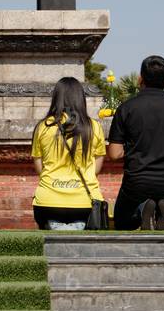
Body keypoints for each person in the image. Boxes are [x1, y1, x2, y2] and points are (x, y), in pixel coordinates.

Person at [107, 55, 164, 230]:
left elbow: (114, 153)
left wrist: (137, 148)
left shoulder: (126, 108)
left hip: (137, 182)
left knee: (122, 219)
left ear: (140, 78)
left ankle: (142, 211)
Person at [31, 77, 107, 230]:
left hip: (47, 201)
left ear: (56, 98)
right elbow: (96, 168)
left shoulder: (44, 126)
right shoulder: (94, 127)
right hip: (85, 202)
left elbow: (40, 167)